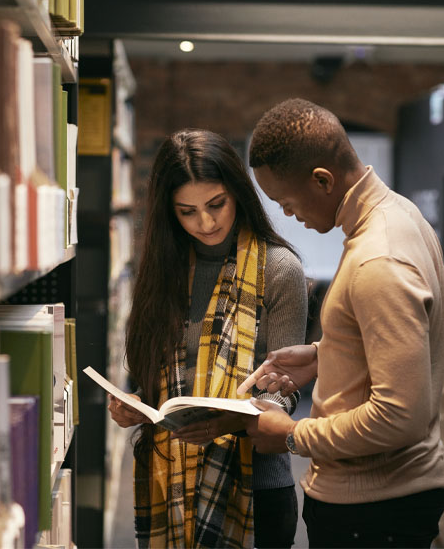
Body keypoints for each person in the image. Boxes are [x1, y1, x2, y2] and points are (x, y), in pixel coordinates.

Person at [238, 98, 444, 548]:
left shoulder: (375, 259)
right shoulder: (404, 216)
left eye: (286, 201)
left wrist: (291, 435)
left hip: (373, 509)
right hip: (397, 499)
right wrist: (330, 355)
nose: (288, 215)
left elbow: (400, 417)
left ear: (322, 180)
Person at [107, 129, 308, 548]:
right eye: (187, 211)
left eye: (216, 204)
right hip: (171, 484)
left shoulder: (279, 269)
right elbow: (158, 376)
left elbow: (285, 392)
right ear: (169, 213)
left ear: (237, 193)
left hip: (258, 489)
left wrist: (229, 421)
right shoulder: (166, 271)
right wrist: (139, 407)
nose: (207, 222)